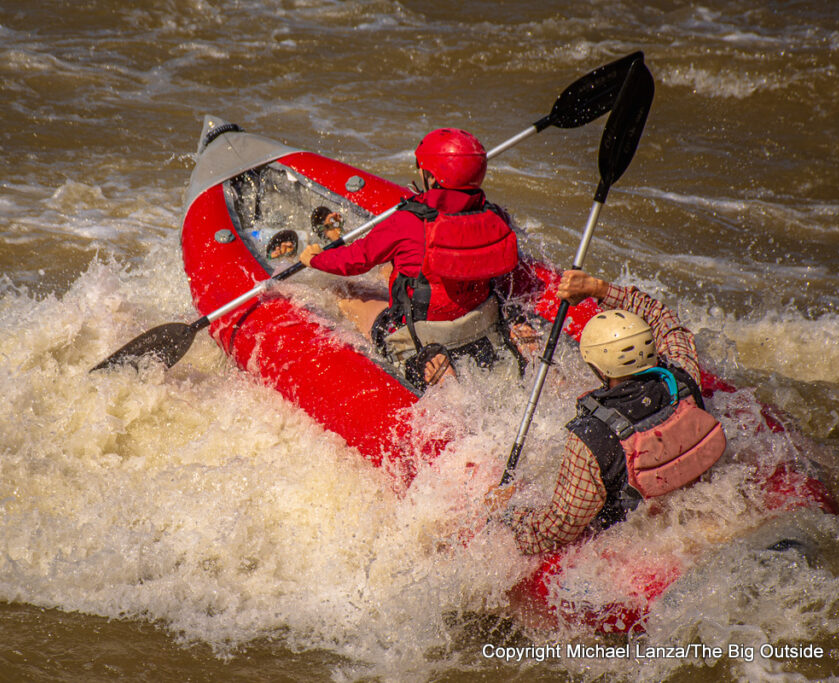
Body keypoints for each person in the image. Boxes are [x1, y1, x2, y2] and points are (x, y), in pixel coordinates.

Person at [487, 269, 727, 554]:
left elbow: (559, 527)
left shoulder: (591, 437)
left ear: (598, 368)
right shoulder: (684, 375)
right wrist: (597, 288)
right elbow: (664, 319)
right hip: (700, 509)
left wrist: (509, 516)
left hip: (635, 545)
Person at [298, 128, 534, 388]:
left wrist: (316, 259)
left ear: (430, 177)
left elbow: (354, 261)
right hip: (481, 321)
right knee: (397, 269)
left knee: (346, 297)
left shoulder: (407, 223)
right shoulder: (496, 216)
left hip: (422, 334)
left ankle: (426, 361)